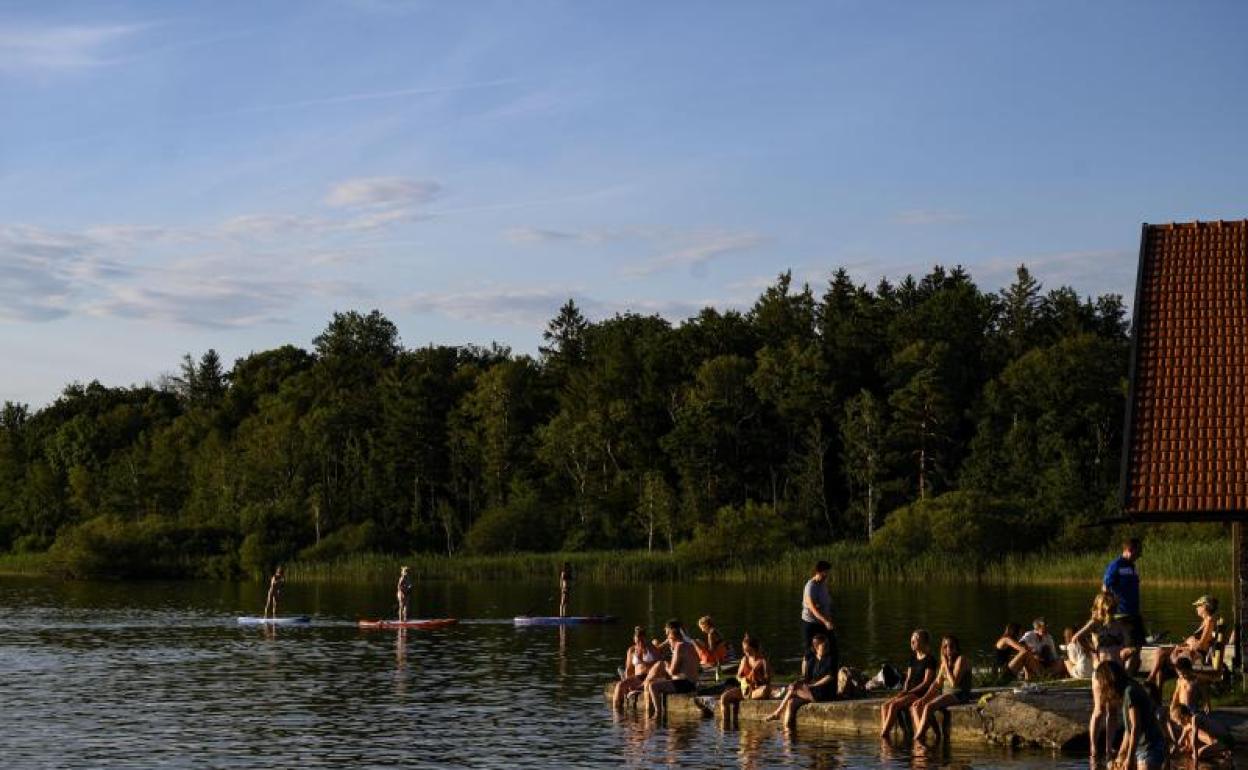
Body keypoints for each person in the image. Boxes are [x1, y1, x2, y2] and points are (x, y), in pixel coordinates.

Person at [1095, 660, 1166, 770]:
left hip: (1150, 747)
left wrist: (1130, 757)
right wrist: (1121, 755)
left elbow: (1136, 727)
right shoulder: (1128, 690)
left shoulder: (1130, 692)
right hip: (1141, 747)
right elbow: (1129, 730)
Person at [1145, 594, 1218, 697]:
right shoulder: (1205, 621)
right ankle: (1155, 693)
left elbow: (1201, 645)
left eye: (1198, 605)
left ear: (1205, 607)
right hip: (1189, 651)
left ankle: (1151, 681)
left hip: (1195, 655)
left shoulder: (1209, 621)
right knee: (1159, 654)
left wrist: (1186, 645)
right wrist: (1188, 641)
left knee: (1161, 655)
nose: (1196, 608)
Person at [765, 632, 837, 728]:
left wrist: (813, 685)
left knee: (794, 689)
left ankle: (778, 712)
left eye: (826, 644)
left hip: (824, 692)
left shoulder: (830, 659)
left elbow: (829, 677)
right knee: (791, 703)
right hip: (812, 691)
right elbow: (807, 678)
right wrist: (799, 682)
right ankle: (787, 733)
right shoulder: (812, 660)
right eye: (823, 644)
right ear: (817, 646)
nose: (827, 646)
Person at [910, 635, 972, 744]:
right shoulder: (945, 663)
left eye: (951, 646)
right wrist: (924, 698)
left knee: (929, 706)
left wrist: (946, 666)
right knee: (916, 705)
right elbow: (936, 684)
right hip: (946, 695)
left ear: (956, 647)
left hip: (959, 694)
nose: (948, 649)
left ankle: (917, 738)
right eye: (945, 646)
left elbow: (954, 683)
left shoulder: (961, 659)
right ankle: (930, 733)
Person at [880, 629, 939, 739]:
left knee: (894, 705)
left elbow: (926, 683)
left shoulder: (930, 659)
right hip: (909, 692)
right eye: (912, 639)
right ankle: (885, 731)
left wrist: (908, 692)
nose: (912, 642)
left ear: (924, 642)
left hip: (920, 693)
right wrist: (903, 691)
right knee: (884, 706)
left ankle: (884, 734)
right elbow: (908, 679)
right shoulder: (912, 658)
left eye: (915, 639)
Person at [643, 619, 701, 719]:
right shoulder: (689, 645)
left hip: (685, 684)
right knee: (654, 679)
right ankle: (645, 689)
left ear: (672, 637)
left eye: (669, 639)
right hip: (692, 682)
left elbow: (673, 671)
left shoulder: (679, 647)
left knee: (653, 686)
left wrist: (666, 665)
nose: (668, 643)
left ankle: (658, 713)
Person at [1104, 537, 1145, 673]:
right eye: (1138, 551)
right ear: (1129, 550)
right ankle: (1115, 662)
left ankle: (1128, 677)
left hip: (1135, 613)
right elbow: (1105, 587)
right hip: (1123, 613)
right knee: (1133, 648)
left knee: (1138, 649)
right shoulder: (1116, 565)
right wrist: (1110, 607)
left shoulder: (1132, 566)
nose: (1140, 554)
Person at [719, 633, 772, 720]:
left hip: (757, 689)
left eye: (747, 650)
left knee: (766, 690)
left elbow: (768, 679)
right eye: (744, 650)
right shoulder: (744, 659)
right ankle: (726, 725)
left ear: (755, 649)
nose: (745, 652)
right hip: (745, 689)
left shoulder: (763, 660)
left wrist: (757, 677)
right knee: (724, 697)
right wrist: (743, 680)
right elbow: (738, 676)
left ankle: (748, 697)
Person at [800, 561, 837, 673]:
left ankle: (827, 673)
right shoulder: (810, 587)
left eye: (827, 573)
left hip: (823, 622)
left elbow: (826, 604)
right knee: (809, 652)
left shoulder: (823, 586)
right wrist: (826, 621)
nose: (826, 575)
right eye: (825, 573)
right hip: (810, 623)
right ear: (818, 572)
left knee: (830, 647)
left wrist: (829, 619)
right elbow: (813, 609)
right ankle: (805, 677)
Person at [613, 626, 661, 709]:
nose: (640, 643)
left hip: (650, 677)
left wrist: (641, 661)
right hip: (637, 678)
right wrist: (628, 684)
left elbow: (658, 667)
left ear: (645, 639)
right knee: (619, 685)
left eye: (642, 641)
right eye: (638, 641)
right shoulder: (631, 650)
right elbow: (629, 669)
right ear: (634, 639)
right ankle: (616, 712)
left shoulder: (652, 649)